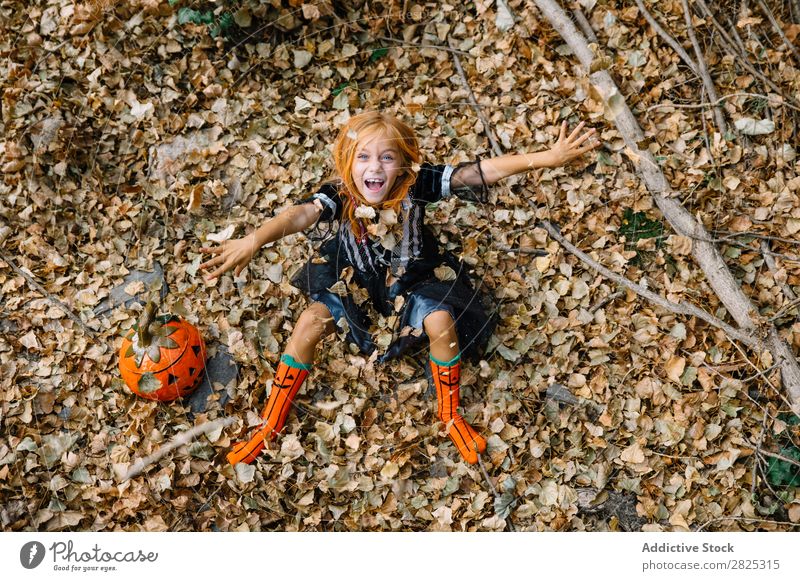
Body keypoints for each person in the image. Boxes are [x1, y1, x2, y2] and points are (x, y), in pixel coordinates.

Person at [200, 111, 597, 466]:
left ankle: (450, 414)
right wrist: (255, 239)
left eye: (387, 157)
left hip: (412, 278)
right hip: (355, 275)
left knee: (441, 322)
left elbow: (479, 172)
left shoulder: (417, 182)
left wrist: (547, 157)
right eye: (364, 157)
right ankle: (270, 422)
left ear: (404, 164)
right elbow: (302, 213)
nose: (375, 167)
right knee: (308, 324)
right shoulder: (340, 193)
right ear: (347, 162)